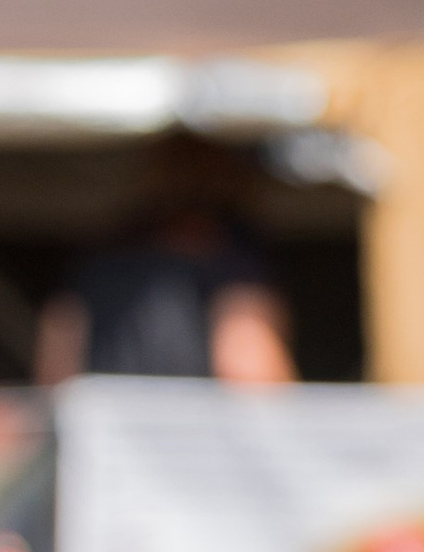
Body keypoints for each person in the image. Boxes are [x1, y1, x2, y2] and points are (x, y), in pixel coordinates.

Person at [34, 142, 296, 386]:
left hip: (104, 427)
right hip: (190, 428)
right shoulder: (233, 261)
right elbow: (248, 368)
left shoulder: (101, 253)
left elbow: (57, 372)